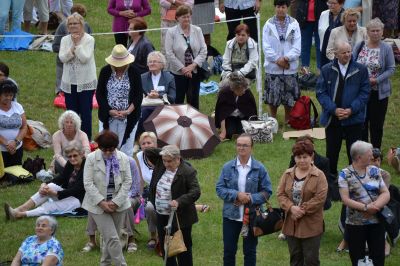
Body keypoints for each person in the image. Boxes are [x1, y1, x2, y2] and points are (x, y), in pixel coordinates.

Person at [216, 133, 272, 266]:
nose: (241, 148)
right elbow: (220, 189)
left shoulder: (259, 168)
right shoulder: (227, 167)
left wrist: (250, 198)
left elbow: (267, 191)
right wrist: (236, 195)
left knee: (250, 251)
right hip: (231, 217)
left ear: (252, 148)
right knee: (229, 251)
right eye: (239, 145)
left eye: (245, 145)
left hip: (252, 217)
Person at [316, 41, 370, 177]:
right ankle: (331, 179)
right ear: (335, 54)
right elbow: (321, 93)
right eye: (344, 52)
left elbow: (365, 93)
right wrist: (333, 110)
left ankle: (355, 179)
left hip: (354, 119)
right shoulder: (326, 70)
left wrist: (351, 110)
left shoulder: (361, 70)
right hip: (333, 119)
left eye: (349, 51)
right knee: (332, 152)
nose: (347, 55)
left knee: (355, 153)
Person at [82, 130, 132, 266]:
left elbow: (128, 181)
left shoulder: (124, 158)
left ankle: (105, 263)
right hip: (97, 205)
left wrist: (116, 202)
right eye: (104, 150)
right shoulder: (91, 158)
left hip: (119, 204)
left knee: (110, 239)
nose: (108, 153)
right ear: (99, 146)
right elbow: (87, 183)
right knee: (112, 238)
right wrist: (101, 202)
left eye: (111, 149)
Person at [145, 145, 201, 266]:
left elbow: (195, 191)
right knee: (166, 248)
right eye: (164, 160)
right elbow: (148, 151)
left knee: (182, 248)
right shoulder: (160, 163)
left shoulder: (187, 171)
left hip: (180, 217)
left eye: (169, 161)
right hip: (161, 214)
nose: (166, 164)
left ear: (178, 159)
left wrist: (179, 201)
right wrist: (165, 152)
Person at [338, 140, 390, 266]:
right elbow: (345, 199)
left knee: (378, 258)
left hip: (377, 221)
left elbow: (385, 192)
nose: (372, 157)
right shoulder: (344, 174)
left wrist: (375, 206)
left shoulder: (375, 171)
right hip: (355, 223)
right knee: (357, 258)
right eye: (369, 154)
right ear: (359, 157)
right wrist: (366, 207)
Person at [5, 141, 86, 220]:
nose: (72, 159)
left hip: (79, 200)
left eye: (75, 156)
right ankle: (21, 209)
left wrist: (56, 193)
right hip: (67, 194)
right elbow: (61, 178)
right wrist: (44, 184)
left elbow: (77, 189)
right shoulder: (70, 163)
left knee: (50, 206)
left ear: (82, 154)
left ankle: (19, 215)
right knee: (49, 187)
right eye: (70, 156)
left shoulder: (87, 167)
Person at [277, 139, 328, 266]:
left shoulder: (319, 175)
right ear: (294, 158)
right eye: (298, 157)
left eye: (305, 157)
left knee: (311, 260)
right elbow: (280, 194)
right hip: (291, 223)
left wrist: (301, 210)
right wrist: (291, 208)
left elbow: (320, 198)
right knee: (295, 259)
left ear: (312, 157)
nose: (302, 160)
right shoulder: (287, 174)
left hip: (311, 224)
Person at [353, 18, 396, 149]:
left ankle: (375, 153)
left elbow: (391, 69)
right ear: (367, 32)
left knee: (376, 125)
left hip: (378, 93)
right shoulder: (360, 45)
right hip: (361, 92)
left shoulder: (386, 48)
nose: (376, 33)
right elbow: (352, 64)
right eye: (373, 30)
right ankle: (364, 152)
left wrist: (376, 80)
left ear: (382, 31)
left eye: (378, 30)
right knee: (362, 123)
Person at [96, 44, 143, 157]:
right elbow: (99, 94)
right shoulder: (105, 71)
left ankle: (125, 172)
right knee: (107, 145)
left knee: (126, 149)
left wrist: (128, 111)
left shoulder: (134, 72)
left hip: (129, 116)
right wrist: (109, 110)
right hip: (108, 116)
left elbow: (138, 95)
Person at [59, 12, 97, 140]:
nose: (73, 26)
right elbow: (62, 58)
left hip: (86, 82)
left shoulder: (89, 39)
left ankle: (86, 138)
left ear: (81, 24)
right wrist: (72, 48)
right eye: (70, 24)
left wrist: (77, 45)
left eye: (75, 23)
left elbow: (85, 58)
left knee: (86, 112)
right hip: (69, 82)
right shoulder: (65, 40)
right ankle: (72, 137)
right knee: (71, 113)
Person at [262, 0, 301, 121]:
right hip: (273, 67)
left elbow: (297, 46)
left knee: (289, 96)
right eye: (278, 7)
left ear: (287, 8)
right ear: (275, 7)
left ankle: (287, 119)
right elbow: (266, 46)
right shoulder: (268, 24)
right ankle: (273, 118)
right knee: (273, 95)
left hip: (290, 66)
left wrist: (286, 58)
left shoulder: (294, 24)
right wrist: (277, 59)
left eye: (283, 7)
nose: (280, 9)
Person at [165, 5, 207, 110]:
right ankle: (177, 122)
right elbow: (169, 53)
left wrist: (192, 66)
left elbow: (203, 50)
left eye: (188, 16)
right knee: (178, 99)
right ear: (177, 18)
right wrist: (183, 69)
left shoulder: (197, 30)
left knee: (193, 99)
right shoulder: (171, 32)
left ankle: (194, 122)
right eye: (184, 17)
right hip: (177, 72)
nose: (187, 19)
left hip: (195, 71)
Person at [52, 3, 92, 95]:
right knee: (61, 82)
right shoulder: (62, 26)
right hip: (64, 61)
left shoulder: (87, 26)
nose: (75, 26)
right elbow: (55, 46)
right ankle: (60, 91)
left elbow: (92, 45)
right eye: (72, 23)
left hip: (82, 61)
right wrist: (68, 50)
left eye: (79, 21)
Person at [137, 51, 176, 138]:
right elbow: (137, 96)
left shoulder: (169, 77)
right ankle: (140, 139)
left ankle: (162, 139)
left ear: (162, 65)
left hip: (163, 105)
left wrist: (159, 95)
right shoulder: (142, 77)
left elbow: (173, 97)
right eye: (150, 62)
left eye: (154, 61)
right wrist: (148, 96)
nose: (151, 63)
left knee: (160, 112)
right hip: (146, 105)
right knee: (142, 112)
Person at [288, 135, 334, 209]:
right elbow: (290, 177)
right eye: (298, 157)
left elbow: (326, 184)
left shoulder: (323, 162)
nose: (301, 160)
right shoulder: (294, 160)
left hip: (315, 196)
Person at [215, 72, 257, 141]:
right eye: (242, 89)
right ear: (235, 89)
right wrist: (223, 131)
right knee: (229, 133)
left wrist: (252, 126)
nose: (244, 91)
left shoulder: (247, 92)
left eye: (245, 89)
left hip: (243, 118)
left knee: (244, 133)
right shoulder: (224, 93)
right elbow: (222, 113)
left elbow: (251, 111)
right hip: (230, 117)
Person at [135, 132, 158, 249]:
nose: (146, 145)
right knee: (149, 207)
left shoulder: (162, 156)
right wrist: (139, 194)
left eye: (149, 142)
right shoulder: (139, 156)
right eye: (143, 143)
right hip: (149, 191)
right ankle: (153, 236)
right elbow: (140, 179)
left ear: (155, 144)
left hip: (164, 191)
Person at [0, 80, 27, 167]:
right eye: (6, 95)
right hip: (1, 150)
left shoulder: (18, 106)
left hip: (17, 148)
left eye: (11, 95)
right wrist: (7, 143)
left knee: (16, 177)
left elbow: (24, 127)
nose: (8, 98)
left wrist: (16, 142)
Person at [296, 0, 328, 71]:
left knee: (320, 46)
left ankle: (320, 70)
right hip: (304, 20)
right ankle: (304, 70)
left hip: (320, 20)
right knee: (305, 45)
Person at [318, 0, 345, 67]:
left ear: (341, 4)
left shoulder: (346, 15)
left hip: (340, 51)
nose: (330, 5)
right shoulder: (323, 14)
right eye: (329, 3)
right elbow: (320, 30)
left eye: (333, 3)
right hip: (325, 49)